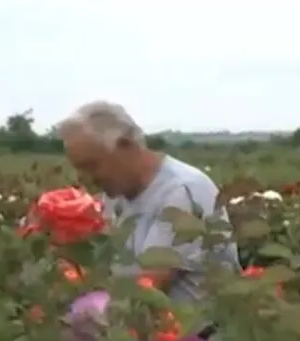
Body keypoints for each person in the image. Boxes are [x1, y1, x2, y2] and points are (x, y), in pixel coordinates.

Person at [56, 101, 240, 305]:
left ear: (126, 145)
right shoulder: (116, 192)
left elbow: (149, 287)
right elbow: (105, 265)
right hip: (138, 326)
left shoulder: (180, 190)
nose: (85, 178)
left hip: (195, 331)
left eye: (91, 166)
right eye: (79, 169)